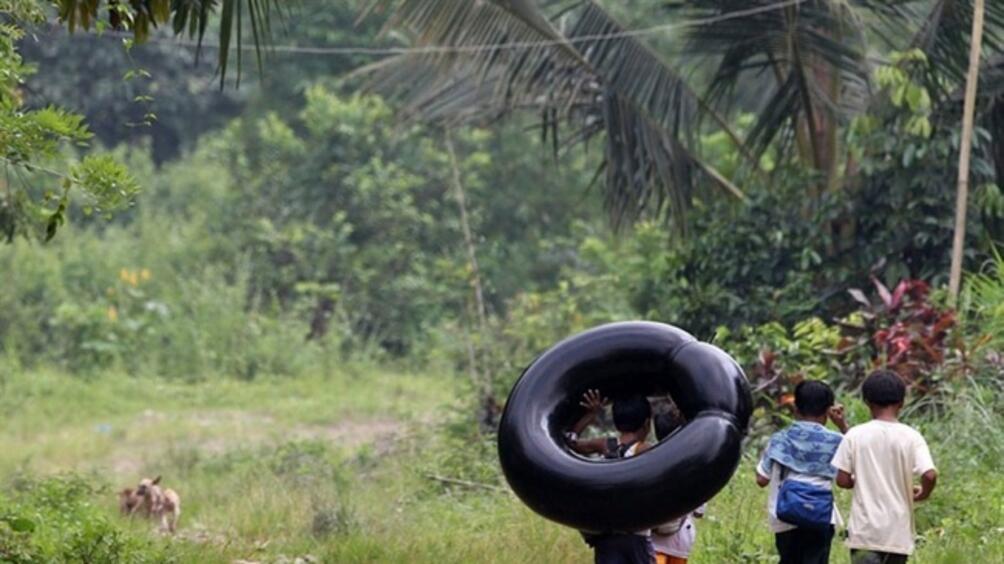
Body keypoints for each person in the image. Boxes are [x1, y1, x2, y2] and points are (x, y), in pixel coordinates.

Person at [832, 370, 937, 564]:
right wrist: (923, 493)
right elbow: (929, 475)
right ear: (902, 403)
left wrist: (862, 480)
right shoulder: (912, 437)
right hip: (897, 533)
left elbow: (842, 480)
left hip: (864, 533)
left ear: (867, 402)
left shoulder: (854, 435)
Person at [755, 380, 848, 564]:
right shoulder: (837, 440)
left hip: (785, 516)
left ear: (796, 408)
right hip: (821, 516)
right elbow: (857, 453)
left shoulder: (780, 439)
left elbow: (761, 479)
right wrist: (842, 425)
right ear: (828, 411)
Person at [566, 390, 654, 564]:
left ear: (616, 422)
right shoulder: (645, 450)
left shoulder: (605, 445)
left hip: (607, 537)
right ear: (647, 423)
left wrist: (591, 414)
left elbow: (571, 441)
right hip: (636, 537)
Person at [651, 410, 703, 564]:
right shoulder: (693, 465)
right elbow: (699, 512)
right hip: (681, 540)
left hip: (654, 541)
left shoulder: (648, 462)